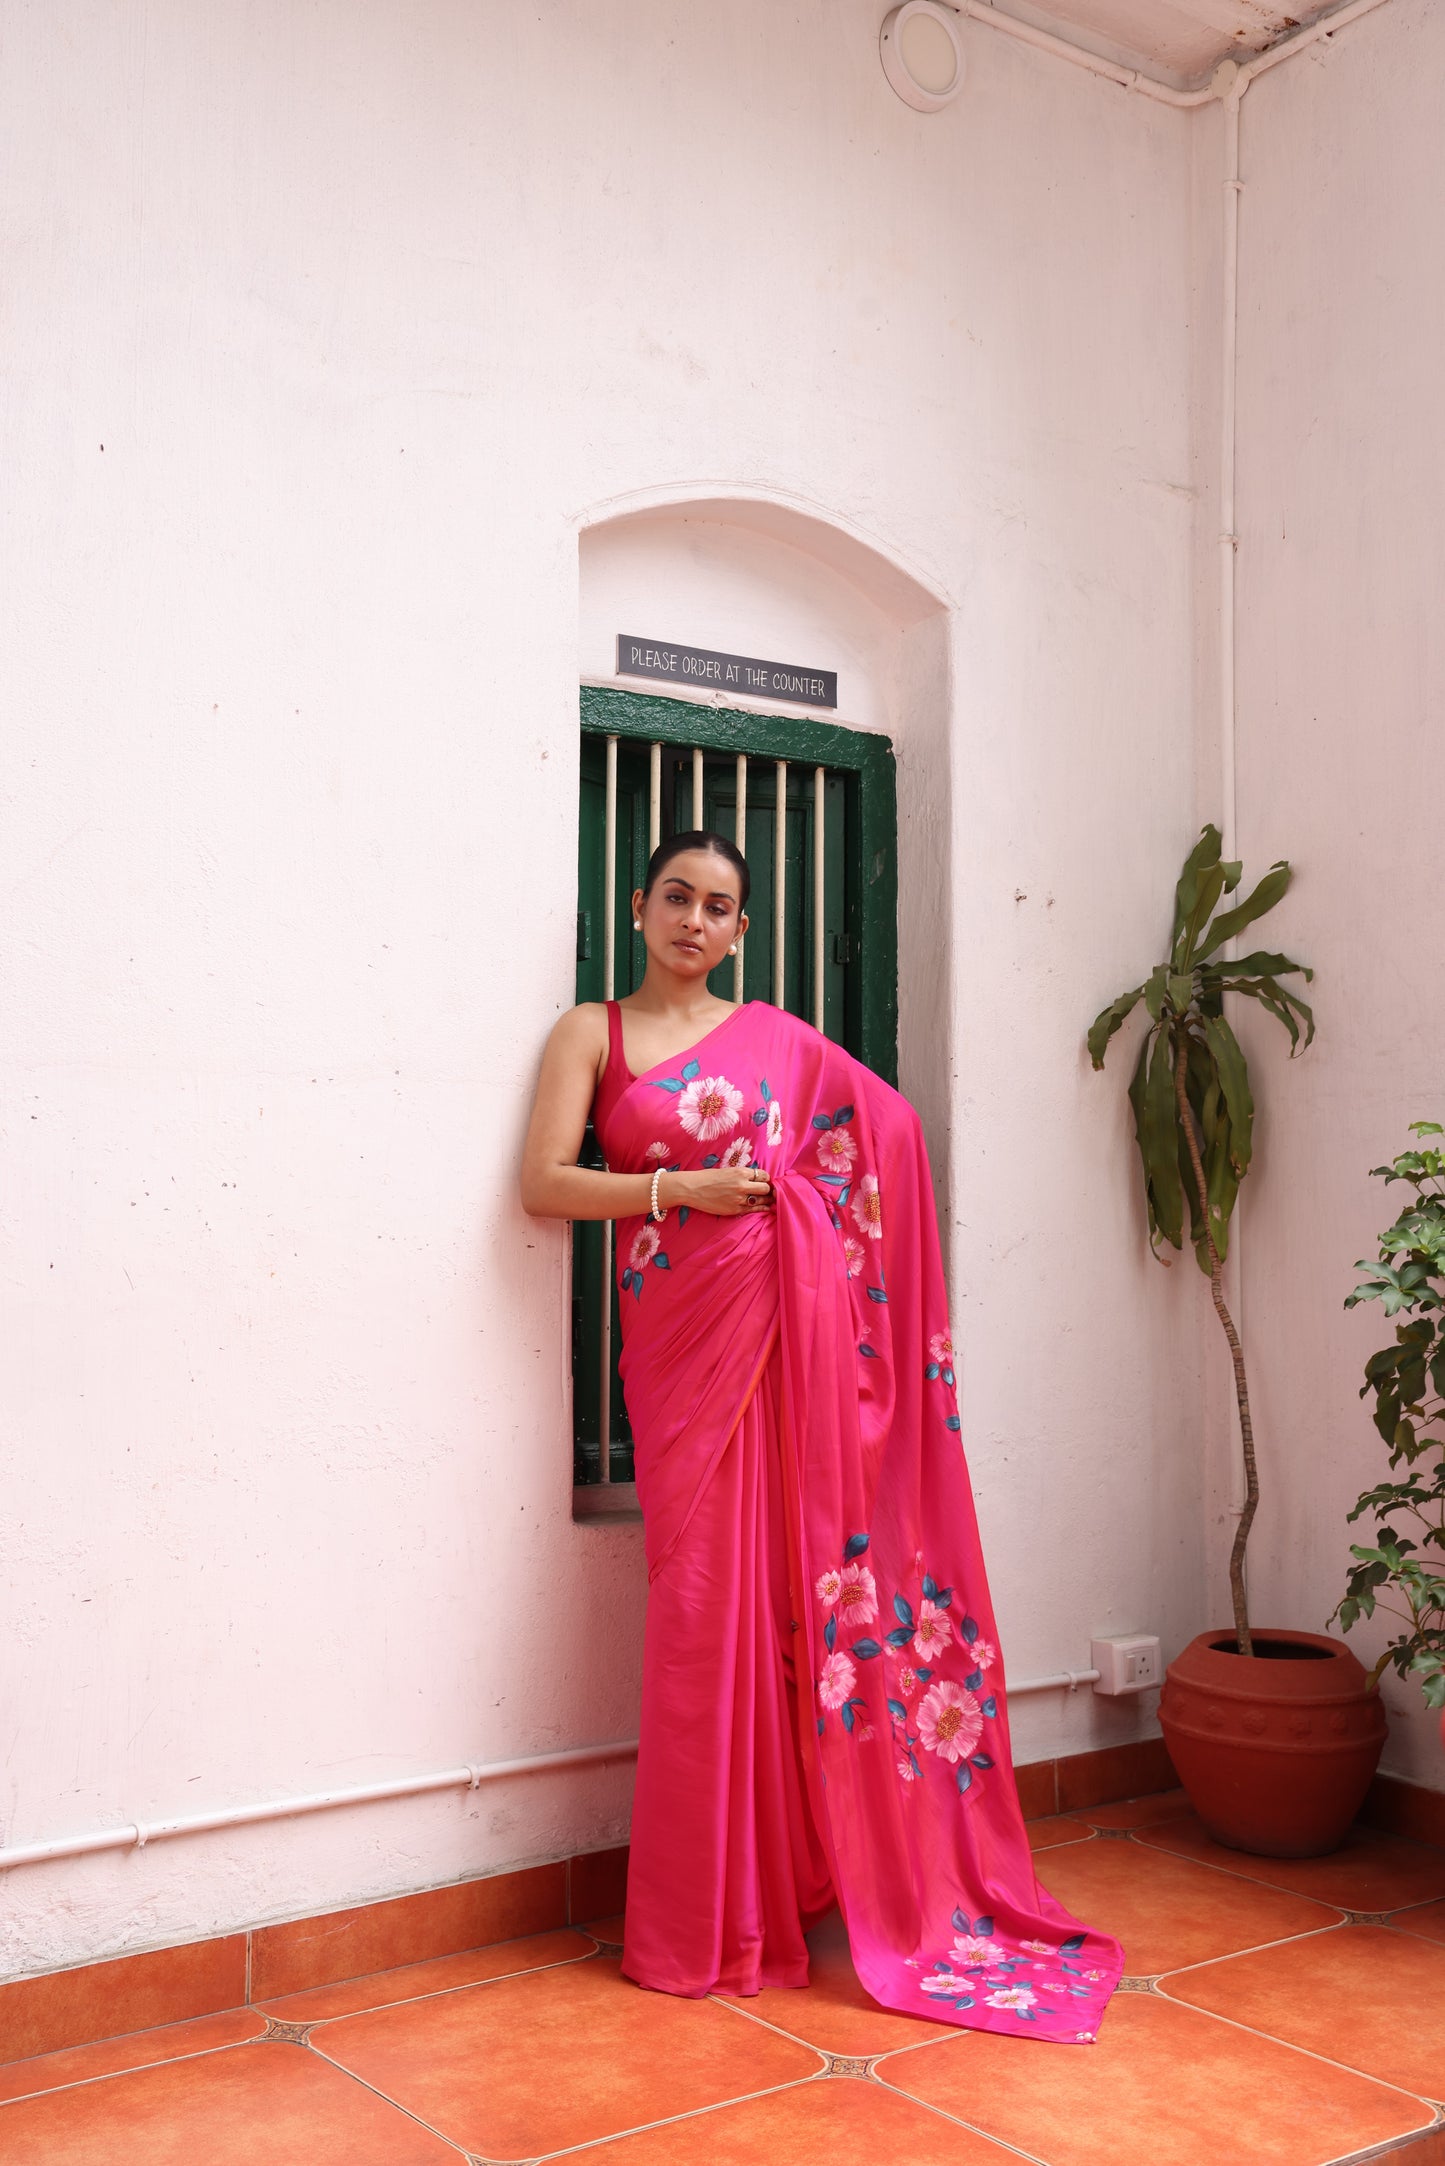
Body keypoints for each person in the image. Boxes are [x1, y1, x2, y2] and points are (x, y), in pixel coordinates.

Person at [521, 829, 1121, 2042]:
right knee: (699, 1608)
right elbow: (543, 1184)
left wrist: (803, 1212)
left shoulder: (781, 1044)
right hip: (680, 1350)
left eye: (719, 906)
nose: (694, 920)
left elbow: (882, 1136)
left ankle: (785, 1888)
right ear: (636, 908)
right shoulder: (592, 1033)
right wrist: (671, 1193)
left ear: (742, 930)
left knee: (793, 1612)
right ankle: (703, 1916)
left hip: (787, 1350)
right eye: (676, 897)